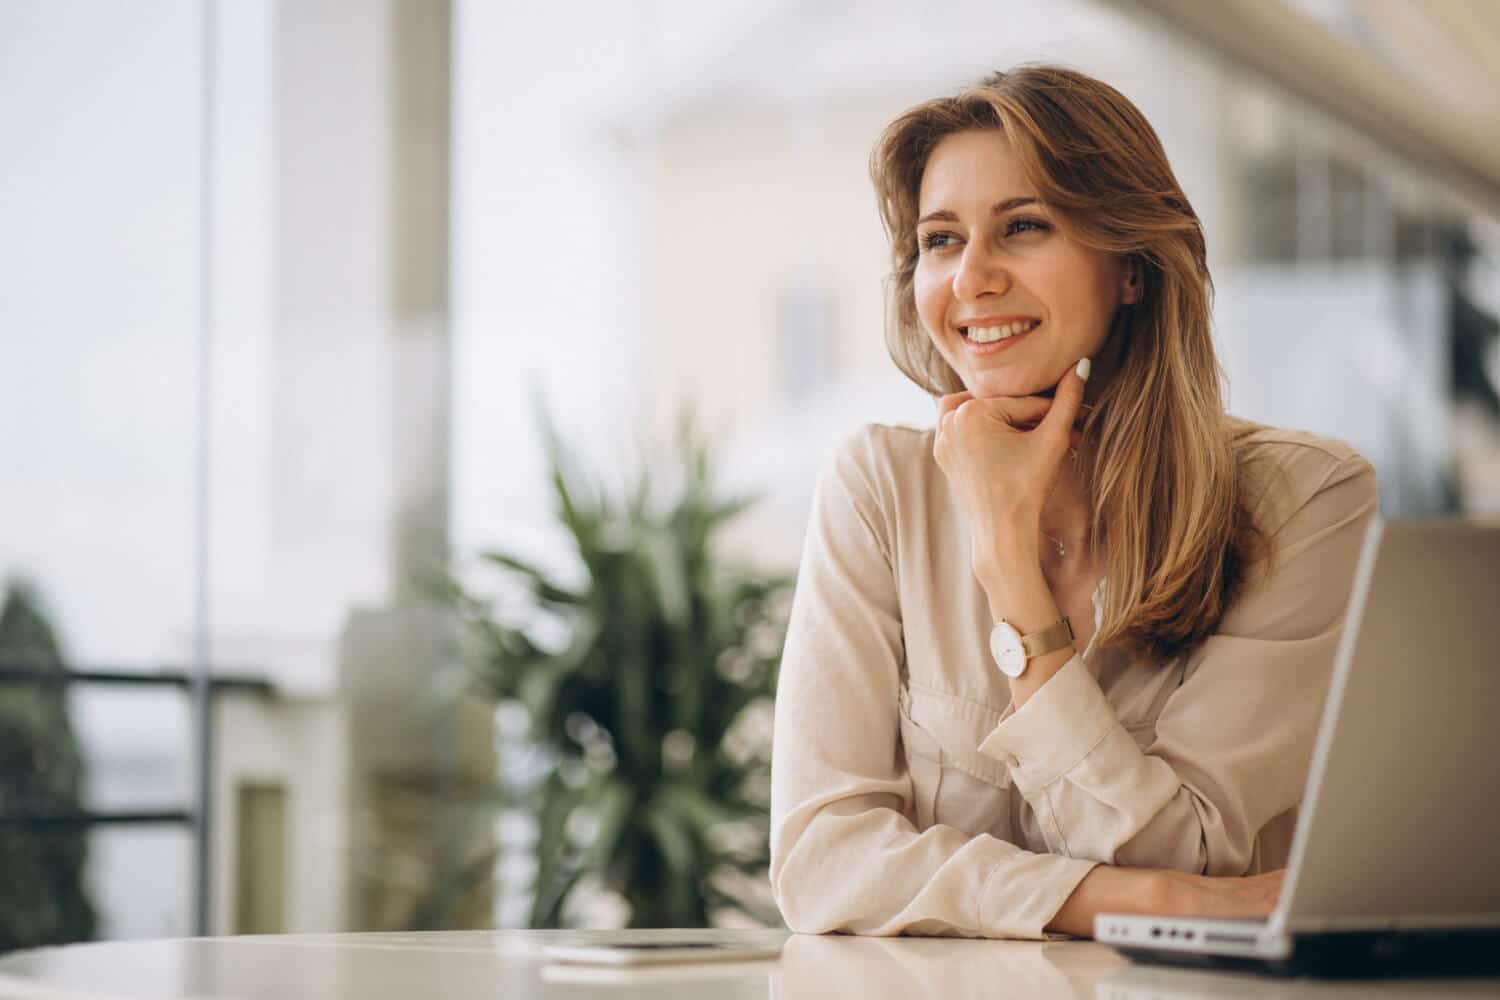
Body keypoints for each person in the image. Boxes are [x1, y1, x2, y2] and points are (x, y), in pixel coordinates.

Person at [768, 65, 1378, 939]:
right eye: (941, 241)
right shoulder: (878, 489)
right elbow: (822, 864)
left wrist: (1010, 570)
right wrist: (1147, 903)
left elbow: (1192, 856)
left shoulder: (1304, 499)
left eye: (1021, 228)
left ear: (1130, 266)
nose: (971, 279)